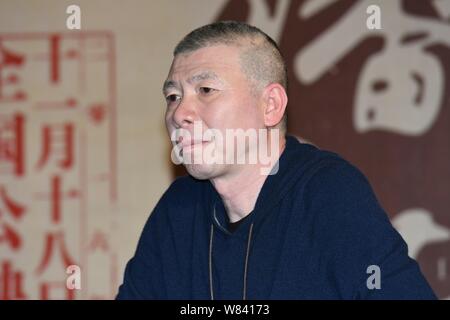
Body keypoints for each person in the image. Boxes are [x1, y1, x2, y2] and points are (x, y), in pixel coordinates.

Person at [116, 21, 436, 299]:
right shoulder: (178, 211)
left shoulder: (327, 194)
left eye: (206, 89)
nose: (179, 113)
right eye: (172, 96)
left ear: (270, 105)